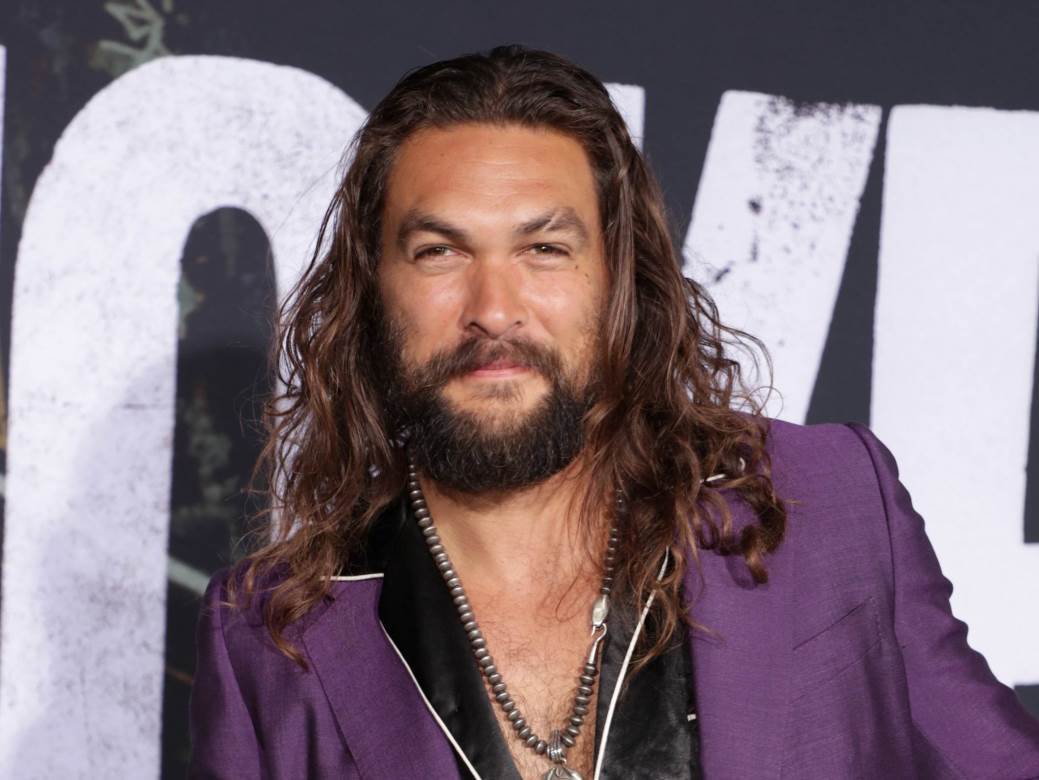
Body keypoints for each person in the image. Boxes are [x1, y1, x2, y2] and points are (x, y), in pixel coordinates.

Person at [187, 44, 1039, 779]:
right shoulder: (271, 637)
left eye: (544, 248)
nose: (494, 308)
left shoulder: (831, 505)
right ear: (371, 292)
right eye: (439, 251)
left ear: (621, 280)